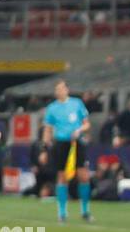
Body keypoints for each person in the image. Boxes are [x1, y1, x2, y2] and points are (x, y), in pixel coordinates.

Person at [43, 80, 92, 223]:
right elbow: (48, 129)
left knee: (83, 175)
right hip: (61, 143)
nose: (59, 91)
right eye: (57, 89)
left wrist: (79, 130)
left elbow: (87, 124)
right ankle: (62, 212)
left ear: (67, 90)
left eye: (61, 89)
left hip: (77, 143)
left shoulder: (76, 104)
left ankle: (85, 210)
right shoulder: (52, 108)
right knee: (62, 176)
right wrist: (45, 148)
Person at [28, 124, 56, 198]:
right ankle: (35, 193)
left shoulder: (54, 144)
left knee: (52, 185)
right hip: (40, 170)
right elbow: (32, 156)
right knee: (38, 186)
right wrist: (33, 166)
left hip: (52, 170)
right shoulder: (36, 144)